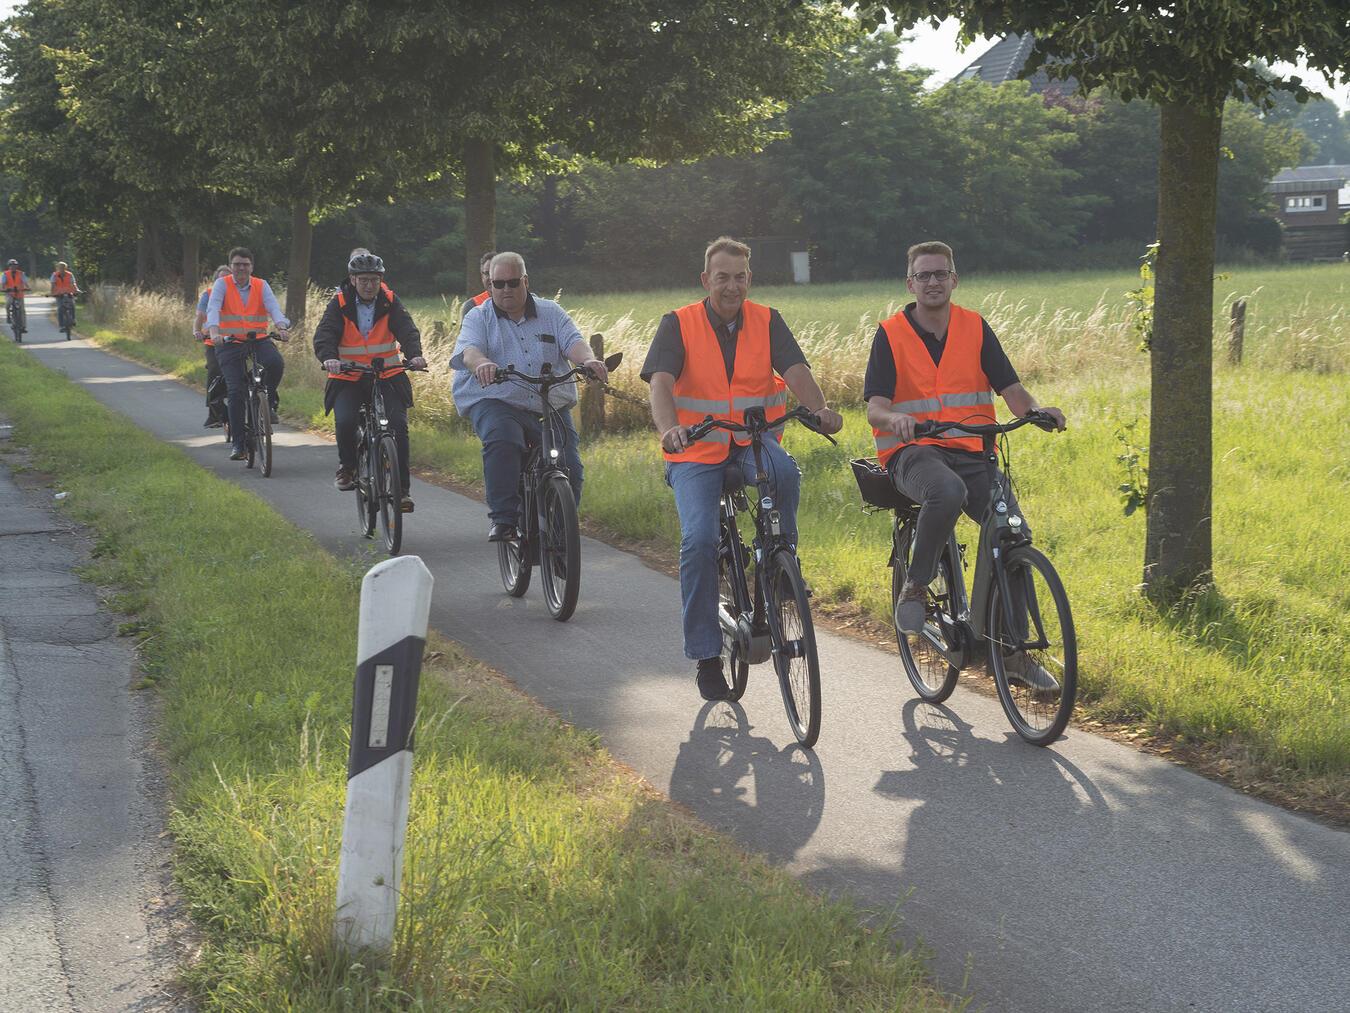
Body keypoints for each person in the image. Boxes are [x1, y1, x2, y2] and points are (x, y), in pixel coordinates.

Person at [643, 236, 843, 701]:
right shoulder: (678, 323)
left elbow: (795, 371)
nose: (731, 286)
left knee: (786, 473)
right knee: (699, 542)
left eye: (739, 277)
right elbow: (660, 383)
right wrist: (670, 430)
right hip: (695, 451)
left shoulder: (768, 320)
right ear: (705, 279)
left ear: (749, 279)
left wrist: (819, 408)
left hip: (753, 442)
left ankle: (779, 564)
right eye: (722, 277)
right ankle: (706, 656)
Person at [864, 240, 1065, 688]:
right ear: (910, 283)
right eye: (924, 275)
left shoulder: (975, 327)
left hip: (974, 451)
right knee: (946, 491)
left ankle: (1011, 651)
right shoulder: (890, 334)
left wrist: (1036, 411)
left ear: (954, 279)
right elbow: (875, 408)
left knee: (1010, 531)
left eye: (941, 274)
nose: (933, 282)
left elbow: (1011, 389)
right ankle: (916, 586)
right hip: (913, 453)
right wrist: (896, 419)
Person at [450, 251, 607, 541]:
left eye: (512, 282)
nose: (505, 289)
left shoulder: (551, 312)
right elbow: (469, 350)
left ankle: (560, 538)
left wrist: (588, 361)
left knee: (570, 466)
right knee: (503, 439)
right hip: (497, 400)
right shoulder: (478, 316)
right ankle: (504, 519)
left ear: (525, 281)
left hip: (549, 401)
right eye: (498, 284)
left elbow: (573, 341)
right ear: (490, 285)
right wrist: (482, 364)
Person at [313, 251, 426, 511]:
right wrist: (329, 357)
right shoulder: (339, 303)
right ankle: (348, 468)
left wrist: (415, 355)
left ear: (381, 280)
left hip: (386, 375)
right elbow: (325, 334)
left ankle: (403, 491)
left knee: (398, 425)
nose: (369, 285)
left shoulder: (390, 301)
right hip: (348, 376)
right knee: (345, 421)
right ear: (352, 279)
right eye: (363, 280)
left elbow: (407, 330)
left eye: (374, 280)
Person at [205, 247, 290, 460]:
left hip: (257, 339)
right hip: (229, 342)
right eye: (237, 264)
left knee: (275, 363)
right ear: (231, 266)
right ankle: (239, 444)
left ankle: (265, 401)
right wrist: (214, 332)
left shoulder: (261, 285)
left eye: (245, 264)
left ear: (251, 267)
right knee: (236, 391)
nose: (241, 268)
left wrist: (281, 326)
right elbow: (213, 308)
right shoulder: (221, 284)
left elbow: (273, 307)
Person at [194, 265, 230, 427]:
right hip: (213, 342)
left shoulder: (239, 294)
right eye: (221, 279)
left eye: (227, 279)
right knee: (215, 371)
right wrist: (197, 331)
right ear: (215, 281)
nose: (224, 282)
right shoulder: (208, 294)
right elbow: (200, 316)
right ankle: (214, 413)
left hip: (236, 341)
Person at [460, 250, 495, 317]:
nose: (491, 277)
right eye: (487, 273)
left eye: (495, 272)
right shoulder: (472, 305)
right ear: (482, 277)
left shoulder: (514, 302)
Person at [3, 259, 29, 323]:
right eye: (11, 265)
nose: (13, 267)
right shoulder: (5, 274)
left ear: (17, 266)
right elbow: (3, 283)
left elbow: (25, 282)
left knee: (22, 309)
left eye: (15, 265)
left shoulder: (21, 273)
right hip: (9, 293)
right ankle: (8, 316)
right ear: (9, 266)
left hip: (19, 293)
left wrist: (28, 287)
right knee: (8, 304)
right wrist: (3, 289)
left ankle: (23, 324)